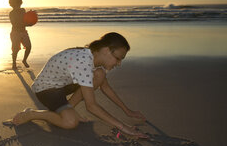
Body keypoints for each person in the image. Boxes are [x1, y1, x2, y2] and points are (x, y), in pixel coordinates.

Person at [12, 32, 148, 138]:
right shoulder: (83, 62)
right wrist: (123, 127)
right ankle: (32, 114)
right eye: (118, 58)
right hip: (46, 89)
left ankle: (67, 109)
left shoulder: (94, 59)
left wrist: (127, 111)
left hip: (62, 85)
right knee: (70, 122)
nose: (118, 64)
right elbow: (91, 106)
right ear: (106, 50)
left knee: (99, 75)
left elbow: (105, 87)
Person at [9, 0, 32, 69]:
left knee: (28, 46)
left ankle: (24, 60)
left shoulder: (23, 10)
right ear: (12, 5)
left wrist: (31, 16)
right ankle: (14, 63)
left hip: (24, 32)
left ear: (20, 3)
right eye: (15, 5)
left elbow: (26, 19)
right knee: (15, 49)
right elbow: (14, 24)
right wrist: (25, 24)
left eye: (18, 4)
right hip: (15, 33)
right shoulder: (11, 13)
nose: (17, 6)